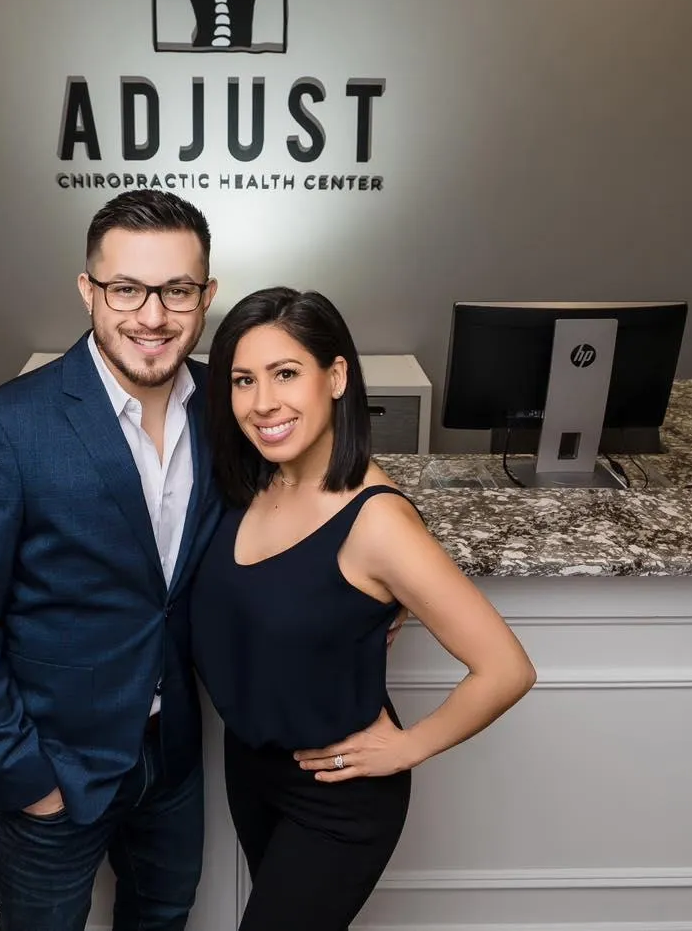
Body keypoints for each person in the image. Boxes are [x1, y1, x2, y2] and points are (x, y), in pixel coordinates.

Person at [0, 189, 225, 931]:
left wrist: (379, 591)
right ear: (88, 290)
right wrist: (24, 779)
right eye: (126, 289)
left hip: (174, 758)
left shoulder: (228, 406)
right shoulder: (5, 427)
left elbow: (310, 484)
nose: (153, 315)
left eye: (177, 290)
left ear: (207, 295)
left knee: (163, 918)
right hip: (53, 765)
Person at [190, 287, 537, 931]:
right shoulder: (254, 480)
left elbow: (506, 668)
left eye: (286, 373)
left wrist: (407, 747)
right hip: (252, 770)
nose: (263, 402)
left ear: (337, 376)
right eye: (243, 380)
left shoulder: (378, 522)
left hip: (338, 797)